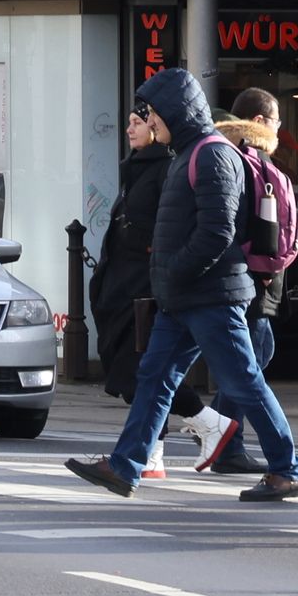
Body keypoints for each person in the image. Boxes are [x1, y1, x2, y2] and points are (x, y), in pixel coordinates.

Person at [71, 66, 298, 503]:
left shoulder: (211, 154)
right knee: (155, 378)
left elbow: (218, 232)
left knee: (243, 382)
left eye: (152, 111)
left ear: (174, 111)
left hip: (210, 296)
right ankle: (125, 466)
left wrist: (175, 271)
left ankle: (288, 469)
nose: (148, 119)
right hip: (185, 295)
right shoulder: (189, 152)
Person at [188, 89, 298, 475]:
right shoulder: (249, 159)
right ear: (259, 123)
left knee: (254, 354)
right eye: (275, 122)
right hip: (250, 275)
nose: (279, 129)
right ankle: (225, 438)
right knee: (249, 360)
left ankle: (217, 432)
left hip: (239, 273)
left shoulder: (223, 153)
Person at [89, 94, 180, 472]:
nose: (129, 129)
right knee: (141, 370)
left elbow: (163, 226)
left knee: (145, 369)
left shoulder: (166, 169)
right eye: (128, 122)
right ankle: (154, 454)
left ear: (156, 128)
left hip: (144, 286)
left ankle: (210, 426)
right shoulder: (136, 168)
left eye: (138, 122)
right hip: (121, 285)